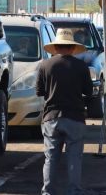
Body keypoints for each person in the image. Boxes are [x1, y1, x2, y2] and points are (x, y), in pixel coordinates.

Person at [36, 28, 92, 195]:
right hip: (75, 117)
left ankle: (48, 192)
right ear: (73, 48)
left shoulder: (45, 65)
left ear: (55, 47)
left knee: (51, 158)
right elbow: (88, 92)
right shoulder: (81, 66)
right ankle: (73, 190)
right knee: (74, 157)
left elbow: (39, 92)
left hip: (51, 118)